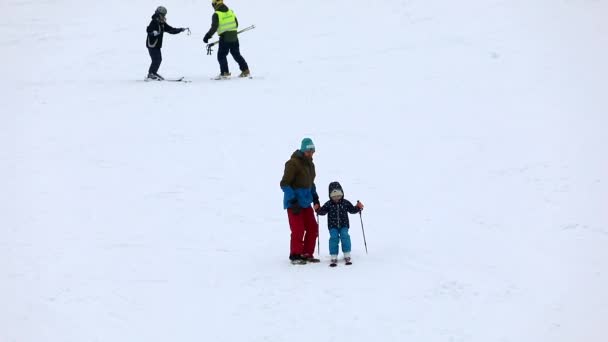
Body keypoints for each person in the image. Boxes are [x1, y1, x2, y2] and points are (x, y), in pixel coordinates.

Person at [280, 138, 321, 265]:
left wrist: (315, 199)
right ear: (303, 150)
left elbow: (311, 184)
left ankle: (307, 253)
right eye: (309, 151)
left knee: (313, 227)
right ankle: (295, 255)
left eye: (312, 151)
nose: (311, 153)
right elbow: (284, 183)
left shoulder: (310, 165)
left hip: (305, 202)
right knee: (298, 229)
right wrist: (292, 200)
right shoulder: (292, 163)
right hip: (294, 203)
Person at [316, 182, 364, 267]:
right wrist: (318, 209)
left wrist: (358, 207)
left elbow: (352, 210)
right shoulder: (329, 204)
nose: (336, 198)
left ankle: (347, 253)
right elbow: (322, 211)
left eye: (338, 196)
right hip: (332, 226)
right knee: (333, 238)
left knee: (344, 236)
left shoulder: (345, 203)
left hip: (344, 224)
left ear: (342, 194)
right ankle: (333, 255)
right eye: (334, 196)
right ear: (330, 196)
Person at [203, 0, 250, 79]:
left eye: (213, 5)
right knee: (236, 54)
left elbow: (214, 27)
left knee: (221, 55)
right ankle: (245, 70)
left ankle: (225, 73)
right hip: (234, 37)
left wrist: (207, 36)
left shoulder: (216, 14)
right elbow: (236, 24)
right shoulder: (230, 12)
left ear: (215, 4)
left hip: (225, 38)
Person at [145, 6, 187, 81]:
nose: (164, 16)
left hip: (157, 45)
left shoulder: (162, 23)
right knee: (156, 59)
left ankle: (153, 73)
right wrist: (153, 33)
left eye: (165, 15)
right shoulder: (154, 21)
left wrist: (180, 30)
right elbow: (148, 30)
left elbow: (170, 29)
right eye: (163, 14)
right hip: (152, 44)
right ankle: (151, 74)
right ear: (158, 14)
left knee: (158, 59)